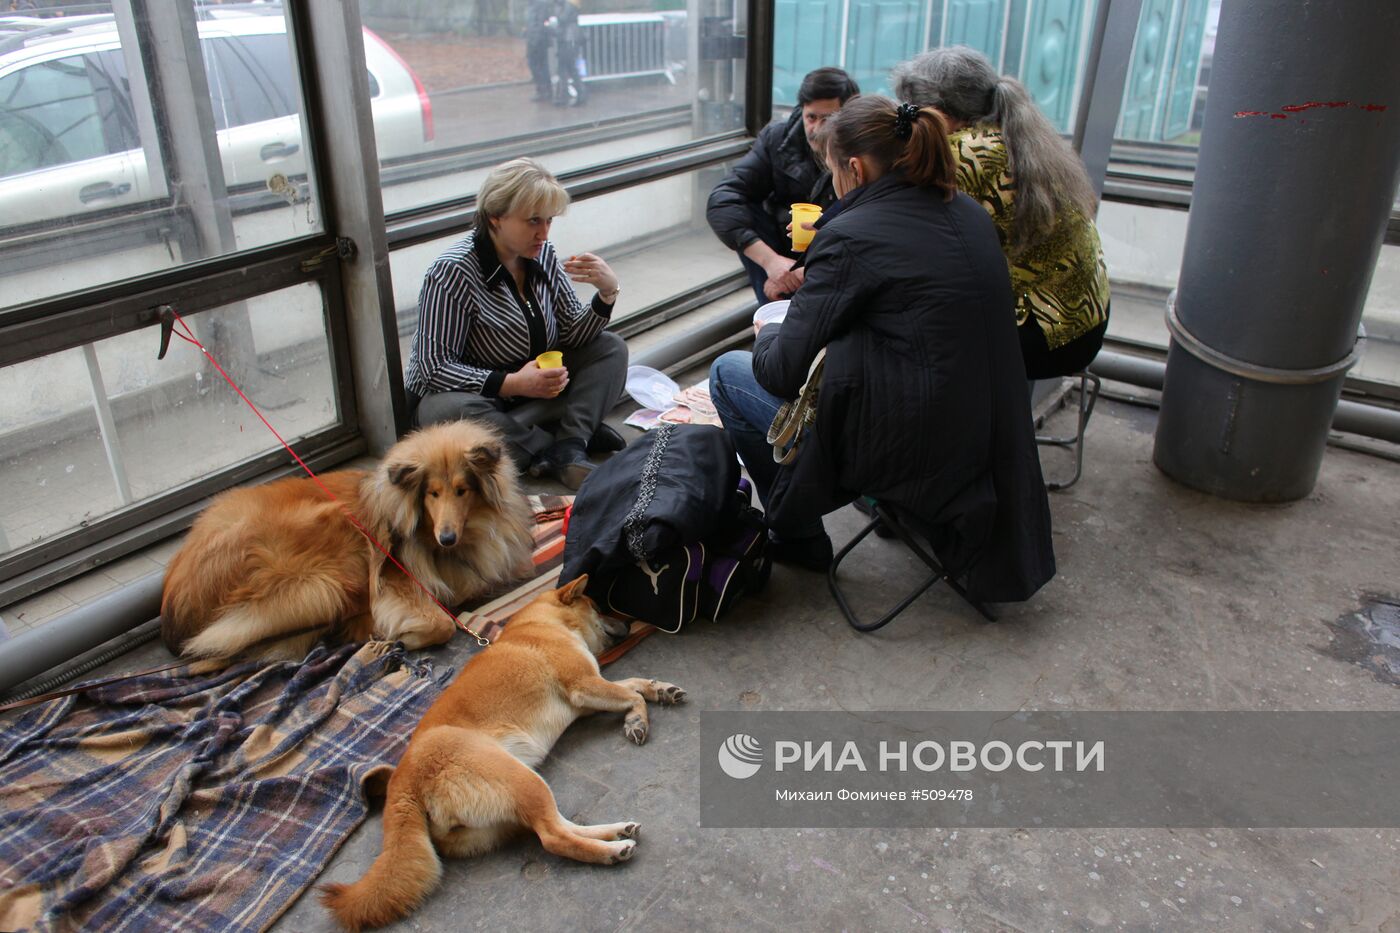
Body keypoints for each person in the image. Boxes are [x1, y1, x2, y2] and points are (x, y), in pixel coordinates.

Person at [708, 95, 1055, 605]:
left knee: (727, 372)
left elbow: (782, 372)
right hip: (986, 439)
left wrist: (771, 330)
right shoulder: (966, 212)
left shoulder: (851, 234)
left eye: (833, 172)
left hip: (914, 449)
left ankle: (797, 537)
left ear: (853, 166)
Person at [404, 158, 628, 490]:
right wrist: (512, 384)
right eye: (533, 221)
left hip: (528, 395)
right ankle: (550, 450)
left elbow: (570, 332)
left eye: (549, 220)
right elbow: (431, 368)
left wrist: (607, 294)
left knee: (611, 347)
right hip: (481, 398)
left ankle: (569, 443)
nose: (544, 233)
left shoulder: (542, 253)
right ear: (495, 216)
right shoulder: (452, 272)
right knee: (444, 411)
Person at [892, 46, 1110, 380]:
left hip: (1044, 333)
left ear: (937, 112)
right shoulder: (1021, 136)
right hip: (1085, 318)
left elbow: (897, 231)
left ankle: (967, 429)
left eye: (914, 112)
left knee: (898, 337)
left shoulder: (964, 153)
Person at [706, 67, 859, 304]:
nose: (817, 129)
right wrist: (772, 263)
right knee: (741, 211)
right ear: (801, 110)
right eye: (811, 117)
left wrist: (807, 269)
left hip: (837, 258)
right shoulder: (778, 140)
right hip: (782, 250)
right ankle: (777, 308)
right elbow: (723, 198)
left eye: (828, 119)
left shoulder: (863, 150)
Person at [553, 0, 587, 108]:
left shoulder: (568, 4)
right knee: (566, 68)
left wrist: (557, 9)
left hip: (568, 39)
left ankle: (573, 95)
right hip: (568, 38)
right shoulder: (570, 4)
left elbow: (563, 19)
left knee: (568, 68)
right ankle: (568, 95)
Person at [524, 0, 555, 103]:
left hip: (539, 40)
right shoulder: (531, 4)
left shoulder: (541, 4)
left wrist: (535, 39)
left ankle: (543, 90)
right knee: (539, 64)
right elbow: (531, 22)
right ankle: (545, 89)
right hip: (533, 38)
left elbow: (541, 23)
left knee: (537, 64)